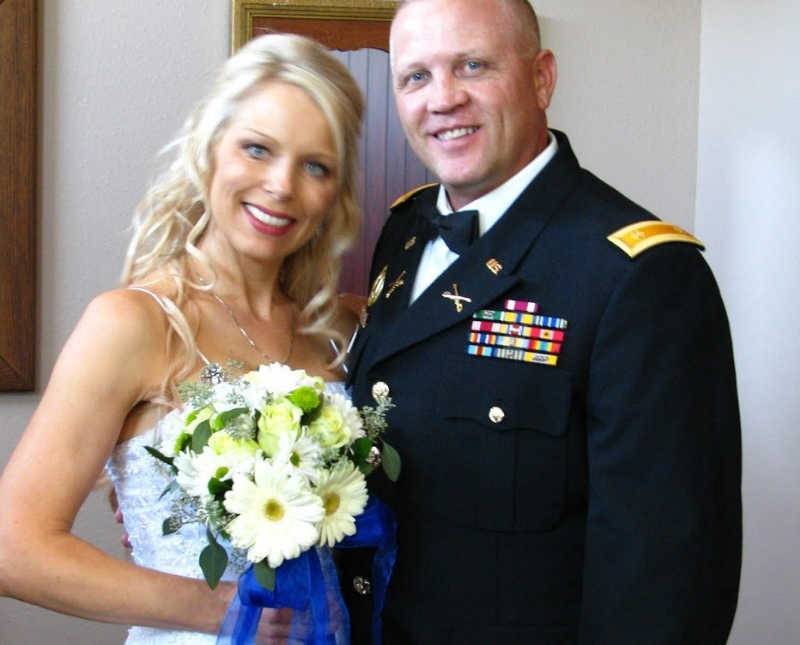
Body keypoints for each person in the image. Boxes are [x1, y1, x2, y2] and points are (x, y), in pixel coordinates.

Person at [341, 0, 742, 643]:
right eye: (415, 77)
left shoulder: (641, 276)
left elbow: (666, 587)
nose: (442, 99)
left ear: (541, 78)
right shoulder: (405, 230)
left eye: (472, 66)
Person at [0, 32, 364, 644]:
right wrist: (220, 609)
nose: (281, 185)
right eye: (257, 149)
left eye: (315, 166)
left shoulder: (343, 333)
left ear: (334, 194)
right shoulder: (135, 323)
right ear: (211, 148)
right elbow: (13, 547)